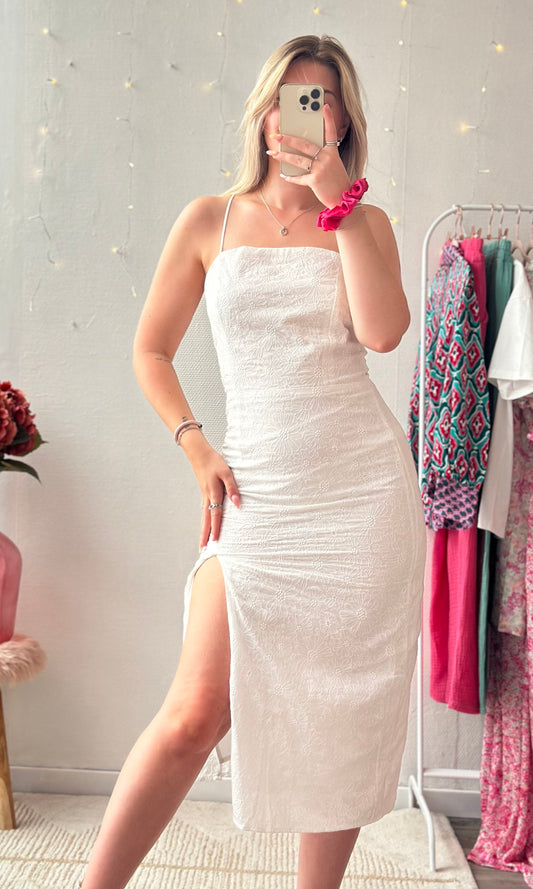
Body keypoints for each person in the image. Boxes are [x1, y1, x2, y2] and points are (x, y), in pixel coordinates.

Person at [79, 34, 425, 889]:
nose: (302, 113)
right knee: (194, 713)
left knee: (341, 720)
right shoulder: (211, 219)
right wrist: (194, 443)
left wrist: (341, 205)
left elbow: (383, 333)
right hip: (258, 494)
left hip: (360, 499)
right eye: (288, 96)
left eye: (322, 98)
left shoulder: (368, 222)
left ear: (343, 121)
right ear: (264, 112)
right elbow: (150, 350)